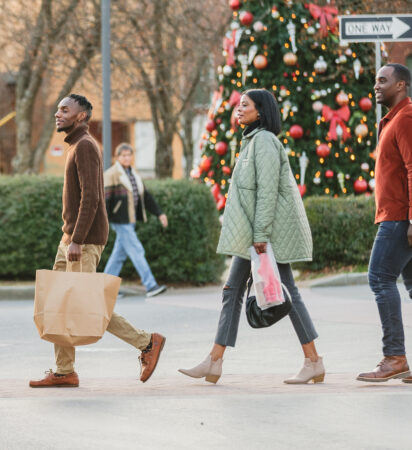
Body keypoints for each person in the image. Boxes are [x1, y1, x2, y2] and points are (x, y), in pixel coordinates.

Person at [178, 89, 324, 384]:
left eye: (245, 105)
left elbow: (267, 191)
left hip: (262, 234)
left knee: (285, 292)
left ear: (261, 111)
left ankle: (313, 360)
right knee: (234, 290)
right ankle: (215, 360)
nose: (238, 109)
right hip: (252, 233)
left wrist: (261, 234)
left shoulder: (266, 142)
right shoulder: (251, 142)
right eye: (238, 105)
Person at [29, 94, 165, 388]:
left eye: (65, 110)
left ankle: (147, 343)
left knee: (84, 303)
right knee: (61, 301)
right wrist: (69, 237)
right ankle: (65, 371)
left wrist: (77, 239)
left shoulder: (87, 146)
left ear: (81, 116)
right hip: (70, 238)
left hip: (84, 240)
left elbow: (92, 197)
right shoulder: (75, 146)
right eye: (57, 109)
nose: (58, 114)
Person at [357, 63, 412, 383]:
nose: (376, 85)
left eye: (383, 80)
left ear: (401, 85)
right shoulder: (393, 119)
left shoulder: (405, 118)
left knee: (379, 277)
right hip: (396, 215)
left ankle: (394, 357)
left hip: (399, 218)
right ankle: (397, 357)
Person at [103, 143, 168, 297]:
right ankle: (150, 285)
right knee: (137, 250)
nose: (126, 158)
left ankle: (105, 289)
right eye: (123, 155)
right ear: (117, 157)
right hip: (119, 221)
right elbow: (105, 200)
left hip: (130, 220)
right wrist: (103, 222)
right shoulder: (112, 174)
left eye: (129, 155)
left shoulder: (134, 173)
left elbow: (146, 196)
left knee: (118, 256)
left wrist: (159, 213)